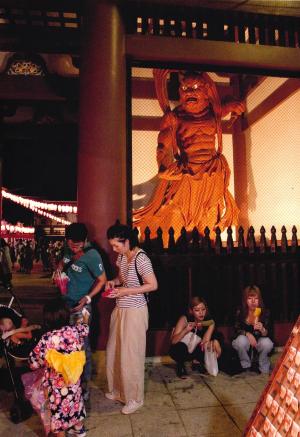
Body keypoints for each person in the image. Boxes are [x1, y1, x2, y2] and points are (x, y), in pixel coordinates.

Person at [133, 70, 245, 244]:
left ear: (207, 92)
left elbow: (230, 107)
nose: (190, 92)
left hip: (211, 172)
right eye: (185, 88)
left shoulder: (214, 111)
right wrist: (162, 166)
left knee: (209, 211)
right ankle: (167, 246)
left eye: (195, 88)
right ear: (179, 93)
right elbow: (163, 145)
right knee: (176, 210)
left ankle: (209, 250)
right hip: (187, 171)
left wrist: (235, 105)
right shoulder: (174, 118)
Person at [105, 223, 158, 415]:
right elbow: (122, 278)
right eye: (112, 245)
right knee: (115, 351)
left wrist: (126, 291)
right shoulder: (122, 256)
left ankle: (135, 398)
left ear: (127, 241)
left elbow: (153, 285)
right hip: (120, 308)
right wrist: (114, 282)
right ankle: (119, 391)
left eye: (117, 245)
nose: (114, 249)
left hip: (135, 311)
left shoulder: (141, 258)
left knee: (131, 356)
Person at [55, 222, 107, 399]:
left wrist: (88, 298)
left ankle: (83, 386)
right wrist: (60, 267)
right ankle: (68, 379)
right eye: (69, 243)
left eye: (76, 244)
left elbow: (102, 280)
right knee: (64, 344)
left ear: (85, 240)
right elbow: (65, 260)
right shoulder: (68, 249)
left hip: (81, 307)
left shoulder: (92, 256)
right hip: (65, 303)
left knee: (82, 345)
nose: (73, 247)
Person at [29, 298, 89, 437]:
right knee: (76, 402)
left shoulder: (47, 338)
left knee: (58, 411)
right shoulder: (75, 331)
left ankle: (60, 434)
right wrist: (84, 318)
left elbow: (34, 362)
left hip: (56, 386)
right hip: (73, 380)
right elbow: (85, 328)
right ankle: (79, 429)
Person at [170, 296, 221, 378]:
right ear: (191, 311)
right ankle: (180, 365)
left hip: (195, 349)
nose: (201, 313)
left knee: (210, 345)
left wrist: (212, 326)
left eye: (203, 309)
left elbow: (204, 343)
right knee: (180, 348)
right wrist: (185, 330)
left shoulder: (208, 321)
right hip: (181, 349)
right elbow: (173, 341)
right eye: (197, 310)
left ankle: (197, 362)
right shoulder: (184, 319)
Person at [232, 285, 273, 374]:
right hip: (245, 343)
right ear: (245, 300)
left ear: (260, 300)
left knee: (267, 343)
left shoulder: (265, 312)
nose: (253, 301)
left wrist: (262, 329)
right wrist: (247, 334)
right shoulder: (240, 312)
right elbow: (235, 331)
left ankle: (263, 364)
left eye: (256, 298)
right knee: (240, 341)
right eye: (250, 298)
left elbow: (269, 334)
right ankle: (246, 365)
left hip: (259, 342)